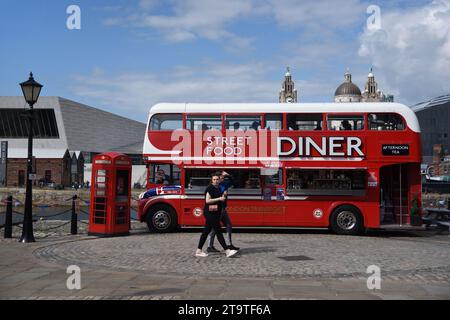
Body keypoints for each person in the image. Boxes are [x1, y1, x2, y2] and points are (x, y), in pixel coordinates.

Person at [195, 173, 238, 258]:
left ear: (219, 180)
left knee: (206, 232)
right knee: (218, 231)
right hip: (210, 213)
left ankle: (199, 250)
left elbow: (219, 198)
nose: (215, 181)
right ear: (211, 180)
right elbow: (207, 201)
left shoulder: (217, 188)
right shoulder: (210, 188)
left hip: (214, 212)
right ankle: (227, 250)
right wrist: (219, 198)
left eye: (217, 179)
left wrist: (223, 195)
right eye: (214, 179)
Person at [207, 171, 240, 253]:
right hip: (216, 209)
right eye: (221, 177)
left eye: (222, 177)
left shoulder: (225, 183)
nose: (222, 178)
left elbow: (234, 182)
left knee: (228, 225)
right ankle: (209, 246)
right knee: (214, 228)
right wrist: (222, 194)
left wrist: (228, 175)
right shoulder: (213, 186)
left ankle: (229, 244)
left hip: (222, 209)